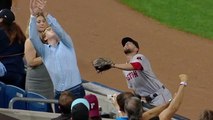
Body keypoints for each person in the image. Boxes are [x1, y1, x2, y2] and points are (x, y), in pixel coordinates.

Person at [29, 0, 85, 100]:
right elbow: (33, 37)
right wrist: (33, 16)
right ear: (45, 37)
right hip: (59, 94)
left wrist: (45, 14)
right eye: (49, 29)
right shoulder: (44, 51)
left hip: (76, 90)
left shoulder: (67, 45)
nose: (52, 29)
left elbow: (60, 30)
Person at [110, 37, 172, 106]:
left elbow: (136, 66)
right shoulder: (125, 69)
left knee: (162, 117)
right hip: (148, 102)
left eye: (130, 43)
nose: (126, 44)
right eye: (124, 44)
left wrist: (113, 65)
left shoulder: (140, 57)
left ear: (137, 49)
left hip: (160, 97)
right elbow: (134, 88)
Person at [24, 12, 54, 99]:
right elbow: (31, 62)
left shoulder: (47, 39)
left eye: (43, 21)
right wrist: (47, 55)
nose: (42, 23)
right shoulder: (30, 41)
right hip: (36, 84)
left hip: (48, 83)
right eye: (38, 21)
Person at [0, 9, 26, 89]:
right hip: (19, 72)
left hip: (4, 74)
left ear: (1, 20)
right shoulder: (19, 32)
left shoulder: (1, 32)